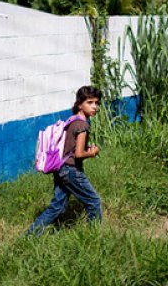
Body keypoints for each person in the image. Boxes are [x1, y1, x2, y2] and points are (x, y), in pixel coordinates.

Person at [26, 86, 103, 236]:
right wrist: (92, 152)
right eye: (90, 102)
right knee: (94, 201)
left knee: (57, 206)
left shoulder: (72, 121)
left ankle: (30, 235)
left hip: (61, 169)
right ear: (80, 104)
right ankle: (94, 236)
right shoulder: (82, 125)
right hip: (72, 170)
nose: (95, 107)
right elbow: (79, 154)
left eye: (96, 103)